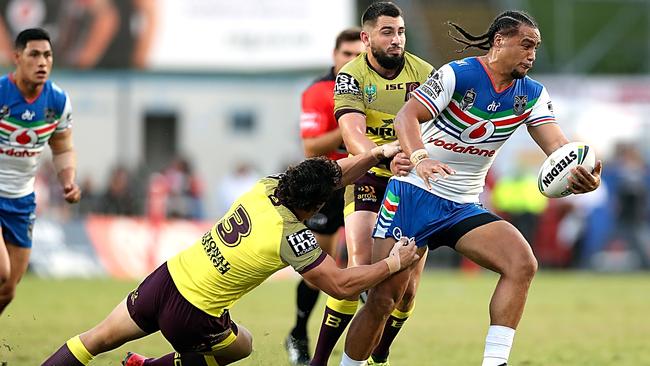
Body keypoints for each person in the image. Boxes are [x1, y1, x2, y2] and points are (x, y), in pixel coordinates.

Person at [340, 10, 603, 366]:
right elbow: (407, 116)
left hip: (463, 205)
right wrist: (420, 159)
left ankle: (495, 363)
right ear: (499, 42)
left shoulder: (532, 94)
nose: (532, 55)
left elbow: (559, 148)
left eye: (536, 48)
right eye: (526, 45)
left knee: (521, 263)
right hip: (414, 194)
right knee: (385, 299)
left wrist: (583, 175)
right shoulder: (458, 74)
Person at [41, 144, 422, 366]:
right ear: (314, 204)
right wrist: (393, 263)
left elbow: (330, 174)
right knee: (244, 345)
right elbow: (340, 285)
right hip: (193, 315)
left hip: (166, 278)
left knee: (96, 338)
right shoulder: (291, 235)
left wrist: (375, 154)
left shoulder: (265, 186)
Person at [310, 3, 435, 366]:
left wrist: (412, 157)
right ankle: (319, 360)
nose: (397, 40)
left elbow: (435, 131)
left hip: (413, 180)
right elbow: (353, 136)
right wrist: (385, 155)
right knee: (360, 268)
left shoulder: (425, 73)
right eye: (387, 32)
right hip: (370, 173)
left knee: (407, 292)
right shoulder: (350, 76)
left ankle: (380, 354)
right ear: (366, 38)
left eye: (401, 32)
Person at [285, 27, 364, 366]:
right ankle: (299, 332)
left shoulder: (376, 84)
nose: (352, 61)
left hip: (370, 180)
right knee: (319, 269)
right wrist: (351, 126)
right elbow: (311, 146)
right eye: (347, 54)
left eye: (358, 55)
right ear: (335, 56)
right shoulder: (318, 91)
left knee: (366, 262)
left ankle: (367, 345)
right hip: (329, 182)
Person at [0, 28, 81, 316]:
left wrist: (68, 180)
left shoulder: (57, 101)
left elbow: (62, 148)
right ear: (17, 57)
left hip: (22, 200)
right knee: (1, 270)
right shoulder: (1, 94)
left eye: (47, 55)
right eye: (34, 54)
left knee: (9, 288)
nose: (42, 62)